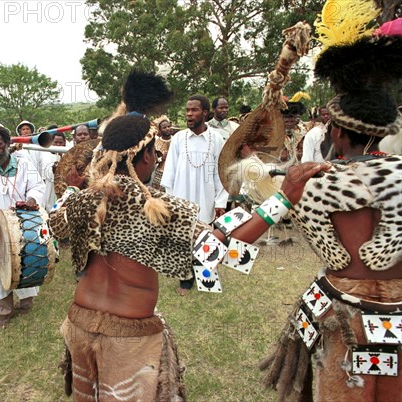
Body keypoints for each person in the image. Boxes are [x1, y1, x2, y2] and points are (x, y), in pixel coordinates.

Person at [49, 70, 327, 401]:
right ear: (148, 156)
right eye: (156, 152)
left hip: (78, 325)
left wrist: (72, 190)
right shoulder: (156, 206)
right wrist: (283, 199)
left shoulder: (82, 201)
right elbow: (219, 248)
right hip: (128, 339)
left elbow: (55, 227)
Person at [258, 7, 402, 401]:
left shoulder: (311, 182)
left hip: (341, 314)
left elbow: (236, 243)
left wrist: (283, 197)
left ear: (336, 130)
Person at [0, 124, 45, 328]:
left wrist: (32, 198)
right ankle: (4, 310)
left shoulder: (23, 163)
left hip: (23, 223)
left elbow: (37, 185)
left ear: (7, 144)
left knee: (24, 262)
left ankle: (25, 302)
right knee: (0, 268)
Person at [161, 94, 228, 296]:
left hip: (206, 197)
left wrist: (220, 200)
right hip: (181, 197)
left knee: (204, 235)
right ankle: (185, 278)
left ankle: (204, 274)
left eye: (194, 110)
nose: (189, 114)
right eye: (187, 110)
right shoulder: (179, 138)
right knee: (183, 238)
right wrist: (170, 200)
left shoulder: (216, 140)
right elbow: (170, 171)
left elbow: (221, 173)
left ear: (205, 113)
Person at [150, 115, 173, 190]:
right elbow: (152, 161)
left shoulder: (176, 140)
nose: (167, 129)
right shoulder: (156, 142)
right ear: (159, 130)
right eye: (164, 127)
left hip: (173, 172)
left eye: (168, 126)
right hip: (160, 173)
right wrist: (161, 159)